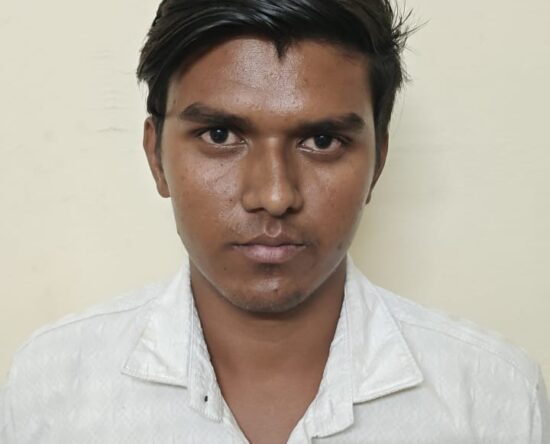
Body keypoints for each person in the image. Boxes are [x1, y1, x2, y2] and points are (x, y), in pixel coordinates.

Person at [1, 0, 549, 442]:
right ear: (156, 157)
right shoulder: (53, 387)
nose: (274, 195)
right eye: (220, 135)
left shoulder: (491, 396)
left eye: (322, 141)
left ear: (378, 161)